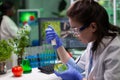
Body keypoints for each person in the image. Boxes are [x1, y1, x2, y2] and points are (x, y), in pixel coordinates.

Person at [46, 0, 120, 80]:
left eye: (76, 30)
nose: (75, 35)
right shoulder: (94, 41)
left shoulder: (115, 49)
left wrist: (78, 78)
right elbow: (76, 67)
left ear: (93, 27)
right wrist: (58, 45)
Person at [0, 1, 18, 69]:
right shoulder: (7, 21)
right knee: (11, 71)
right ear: (8, 10)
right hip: (10, 51)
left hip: (7, 50)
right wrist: (26, 26)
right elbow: (17, 35)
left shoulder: (4, 20)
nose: (14, 11)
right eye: (13, 9)